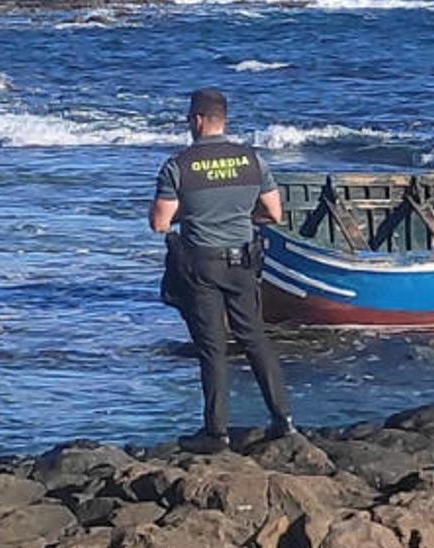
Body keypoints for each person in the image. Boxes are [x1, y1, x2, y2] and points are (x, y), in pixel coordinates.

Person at [149, 87, 295, 453]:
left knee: (212, 347)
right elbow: (274, 214)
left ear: (197, 120)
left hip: (202, 263)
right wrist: (241, 217)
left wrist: (193, 213)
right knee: (255, 339)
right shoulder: (252, 160)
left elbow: (160, 223)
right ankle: (283, 420)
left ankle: (216, 433)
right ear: (223, 120)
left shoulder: (178, 165)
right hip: (244, 260)